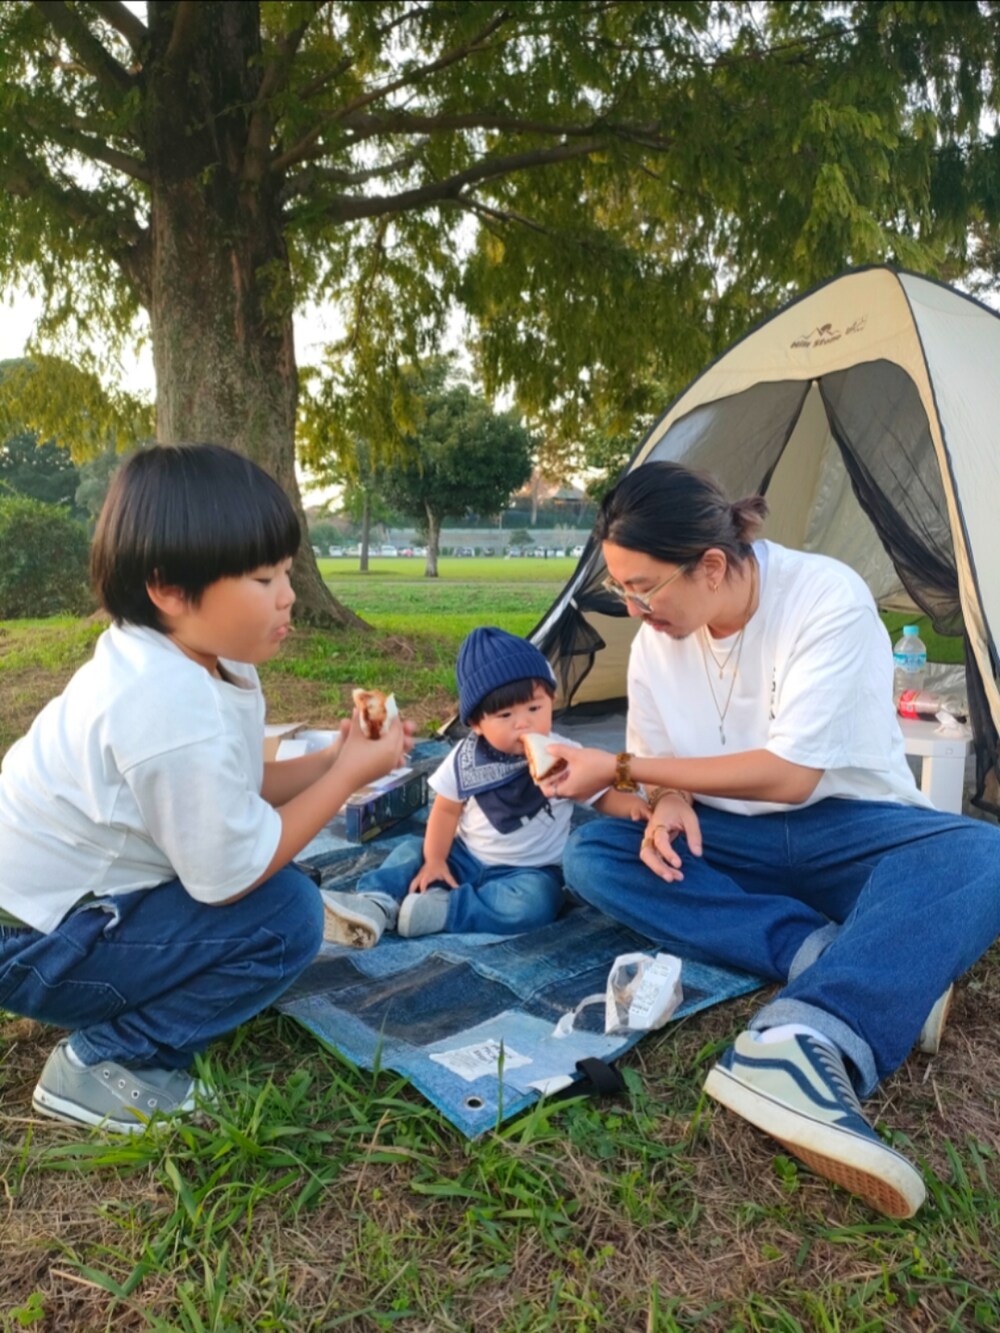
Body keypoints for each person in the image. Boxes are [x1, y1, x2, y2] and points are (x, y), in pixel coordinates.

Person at [540, 460, 1000, 1219]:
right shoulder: (661, 639)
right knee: (595, 852)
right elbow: (663, 766)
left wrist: (619, 767)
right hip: (733, 840)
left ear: (712, 565)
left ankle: (804, 1037)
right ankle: (829, 954)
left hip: (846, 828)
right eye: (622, 590)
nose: (633, 608)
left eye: (644, 588)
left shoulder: (826, 597)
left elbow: (790, 776)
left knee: (980, 852)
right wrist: (667, 800)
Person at [0, 444, 409, 1135]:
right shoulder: (164, 701)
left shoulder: (198, 659)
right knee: (285, 917)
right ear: (168, 588)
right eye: (261, 578)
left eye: (286, 570)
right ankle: (105, 1058)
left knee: (282, 881)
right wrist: (345, 778)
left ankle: (129, 998)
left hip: (55, 913)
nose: (288, 594)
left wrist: (334, 756)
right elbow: (230, 876)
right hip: (35, 944)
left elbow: (238, 784)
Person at [321, 626, 647, 947]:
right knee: (410, 852)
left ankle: (442, 911)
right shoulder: (465, 758)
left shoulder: (565, 754)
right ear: (476, 724)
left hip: (530, 871)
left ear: (553, 699)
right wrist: (436, 859)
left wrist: (634, 808)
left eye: (535, 708)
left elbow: (601, 795)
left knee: (536, 903)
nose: (523, 723)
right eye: (505, 714)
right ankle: (376, 903)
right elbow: (446, 810)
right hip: (463, 857)